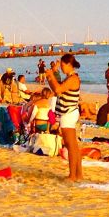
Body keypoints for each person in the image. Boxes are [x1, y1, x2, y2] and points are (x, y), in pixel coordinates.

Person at [46, 53, 82, 181]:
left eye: (62, 65)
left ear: (69, 64)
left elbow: (58, 90)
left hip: (68, 114)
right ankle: (78, 175)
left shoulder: (73, 79)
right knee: (74, 146)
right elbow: (55, 89)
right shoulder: (70, 78)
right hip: (69, 113)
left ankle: (72, 175)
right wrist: (49, 77)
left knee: (70, 146)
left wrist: (51, 75)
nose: (61, 67)